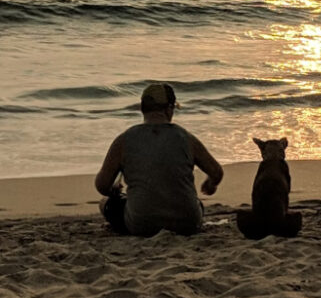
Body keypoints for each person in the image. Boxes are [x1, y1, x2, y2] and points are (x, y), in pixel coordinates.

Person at [95, 83, 224, 236]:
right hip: (188, 224)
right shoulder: (186, 138)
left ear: (142, 109)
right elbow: (216, 172)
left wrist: (113, 191)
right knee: (196, 204)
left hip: (142, 225)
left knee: (106, 204)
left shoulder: (124, 140)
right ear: (169, 109)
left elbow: (102, 185)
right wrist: (210, 184)